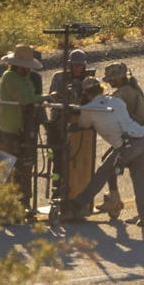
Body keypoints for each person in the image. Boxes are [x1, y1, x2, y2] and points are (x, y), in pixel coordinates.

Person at [68, 77, 144, 227]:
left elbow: (83, 124)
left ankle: (77, 206)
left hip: (127, 147)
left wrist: (79, 107)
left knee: (103, 173)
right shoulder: (117, 101)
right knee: (139, 182)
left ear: (86, 94)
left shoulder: (89, 109)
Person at [96, 62, 144, 218]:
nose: (109, 82)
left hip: (132, 140)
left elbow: (107, 104)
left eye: (111, 79)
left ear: (119, 78)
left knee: (109, 167)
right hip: (141, 137)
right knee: (139, 182)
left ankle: (114, 200)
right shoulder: (132, 88)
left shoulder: (124, 93)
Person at [0, 44, 47, 210]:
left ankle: (23, 202)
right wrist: (45, 98)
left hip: (23, 129)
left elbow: (31, 96)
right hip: (9, 129)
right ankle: (4, 204)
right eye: (26, 67)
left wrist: (38, 98)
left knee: (25, 165)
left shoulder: (25, 78)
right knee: (9, 167)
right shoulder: (10, 77)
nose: (28, 70)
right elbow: (25, 98)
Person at [47, 49, 89, 196]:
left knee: (77, 162)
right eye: (75, 65)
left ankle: (75, 192)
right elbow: (52, 97)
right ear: (70, 65)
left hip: (78, 127)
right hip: (58, 124)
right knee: (58, 162)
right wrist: (66, 100)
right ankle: (57, 191)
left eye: (80, 66)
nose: (78, 68)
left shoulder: (87, 80)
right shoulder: (59, 78)